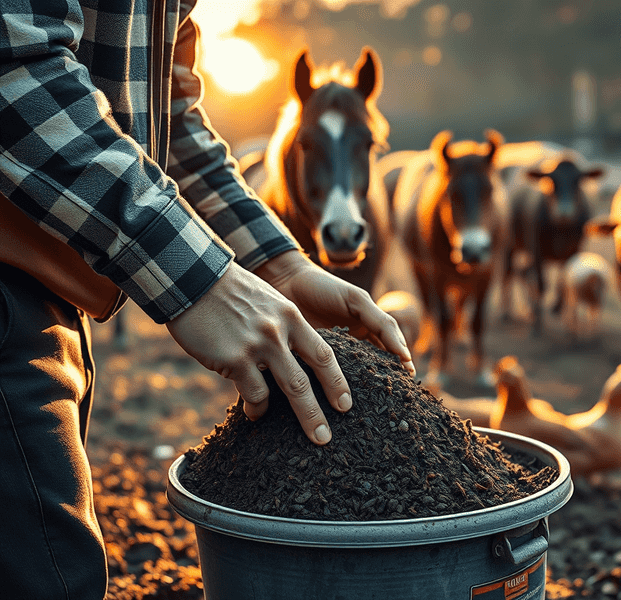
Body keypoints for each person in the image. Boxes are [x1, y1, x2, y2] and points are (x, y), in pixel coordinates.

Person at [0, 1, 414, 597]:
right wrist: (200, 281)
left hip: (51, 281)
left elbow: (170, 116)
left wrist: (279, 263)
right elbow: (13, 64)